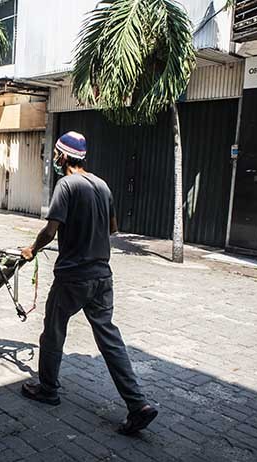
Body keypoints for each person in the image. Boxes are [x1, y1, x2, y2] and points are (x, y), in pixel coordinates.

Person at [20, 131, 158, 435]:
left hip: (73, 277)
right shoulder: (103, 185)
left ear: (64, 156)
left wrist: (32, 249)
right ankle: (138, 404)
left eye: (56, 154)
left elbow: (50, 231)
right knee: (109, 340)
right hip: (102, 277)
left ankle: (48, 389)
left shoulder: (66, 185)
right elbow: (113, 227)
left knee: (53, 333)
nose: (55, 159)